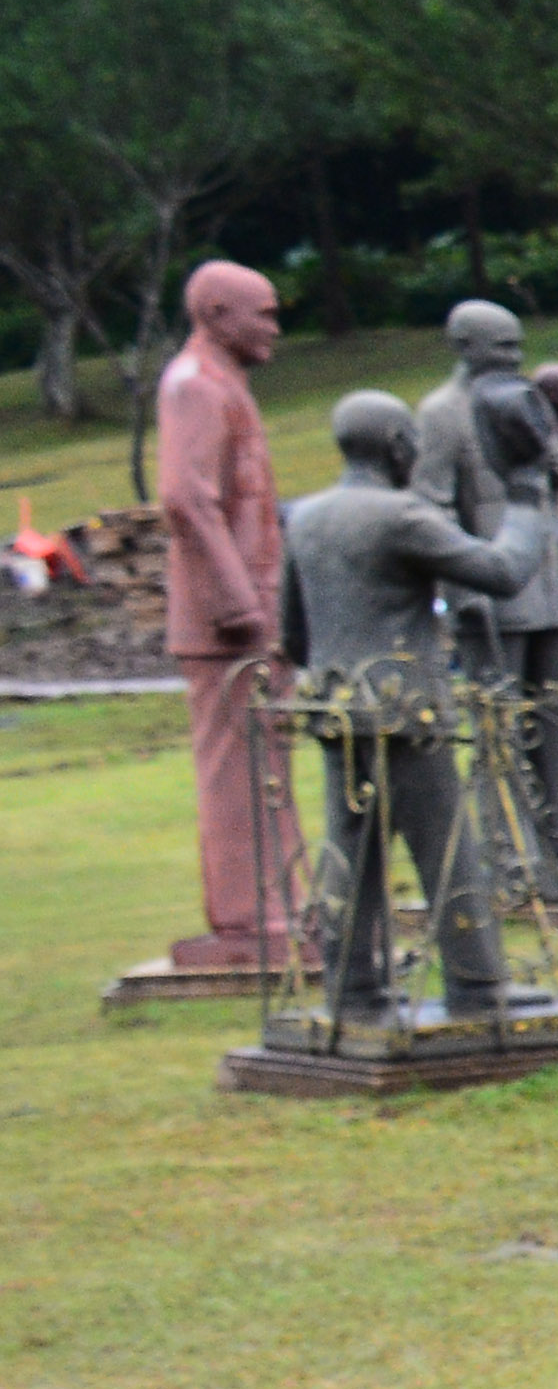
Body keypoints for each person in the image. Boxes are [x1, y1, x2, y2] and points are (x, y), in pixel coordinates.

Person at [286, 389, 558, 1025]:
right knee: (446, 847)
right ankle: (476, 986)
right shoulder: (401, 515)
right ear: (398, 447)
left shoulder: (304, 517)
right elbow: (499, 571)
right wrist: (525, 500)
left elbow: (293, 633)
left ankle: (351, 992)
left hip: (338, 707)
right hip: (408, 711)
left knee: (349, 853)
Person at [408, 299, 558, 881]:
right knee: (497, 722)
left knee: (554, 716)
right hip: (488, 591)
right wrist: (466, 578)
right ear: (464, 346)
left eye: (517, 346)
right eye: (501, 347)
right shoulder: (440, 414)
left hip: (546, 588)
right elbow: (430, 505)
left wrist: (554, 543)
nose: (513, 357)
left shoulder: (524, 401)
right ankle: (508, 847)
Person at [155, 260, 293, 970]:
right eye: (262, 312)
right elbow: (185, 498)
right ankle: (249, 916)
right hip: (227, 621)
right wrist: (239, 598)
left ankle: (279, 902)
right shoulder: (193, 388)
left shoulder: (224, 383)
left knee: (267, 754)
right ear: (214, 314)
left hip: (255, 613)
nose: (273, 325)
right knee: (236, 763)